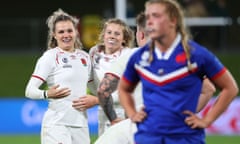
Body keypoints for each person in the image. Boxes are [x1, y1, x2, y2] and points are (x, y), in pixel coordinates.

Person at [118, 0, 239, 144]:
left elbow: (230, 88)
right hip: (148, 137)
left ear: (173, 21)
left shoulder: (196, 55)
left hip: (184, 138)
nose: (150, 21)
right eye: (148, 16)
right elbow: (123, 89)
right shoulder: (140, 57)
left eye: (156, 16)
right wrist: (132, 114)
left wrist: (207, 120)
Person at [94, 12, 216, 144]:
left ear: (140, 34)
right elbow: (208, 89)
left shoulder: (131, 56)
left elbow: (103, 90)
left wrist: (113, 119)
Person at [25, 9, 93, 144]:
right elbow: (29, 90)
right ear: (54, 35)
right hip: (56, 125)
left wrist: (96, 100)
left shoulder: (85, 57)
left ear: (76, 32)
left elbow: (96, 89)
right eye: (61, 32)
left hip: (81, 124)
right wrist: (47, 94)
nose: (66, 35)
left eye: (69, 30)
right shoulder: (50, 57)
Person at [87, 18, 135, 136]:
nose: (112, 36)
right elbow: (91, 80)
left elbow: (129, 89)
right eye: (109, 32)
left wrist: (97, 100)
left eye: (117, 34)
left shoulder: (128, 55)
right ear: (104, 35)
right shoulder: (94, 52)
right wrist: (98, 96)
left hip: (123, 111)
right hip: (103, 110)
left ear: (124, 39)